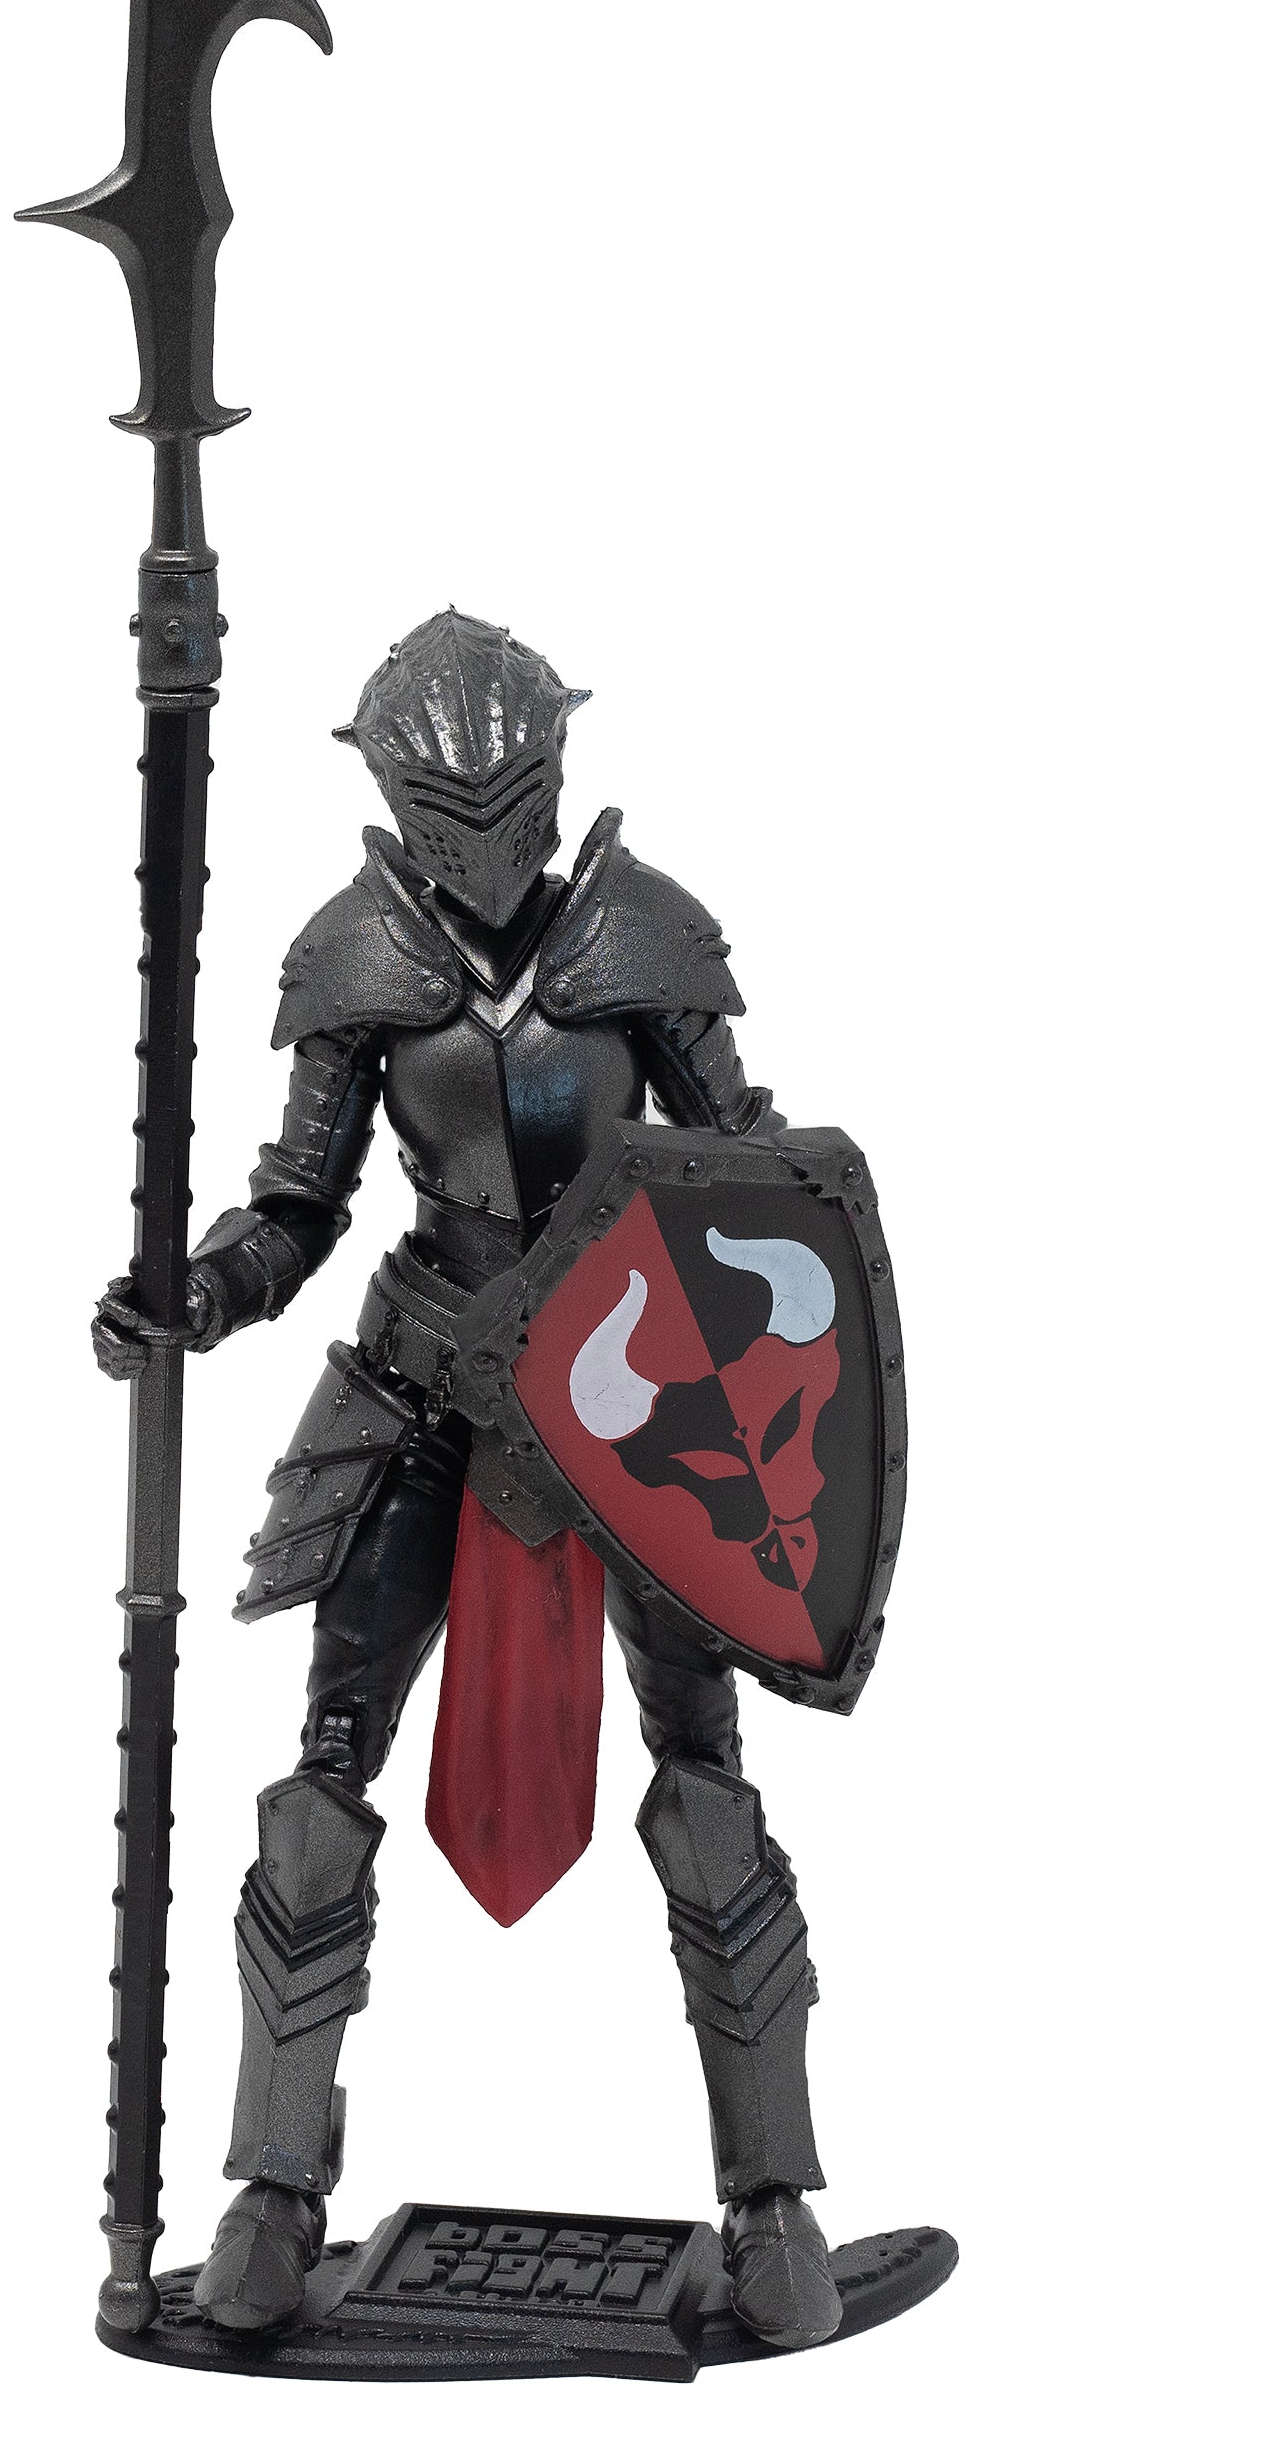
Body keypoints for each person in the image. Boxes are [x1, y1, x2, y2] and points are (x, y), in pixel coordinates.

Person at [94, 608, 841, 2347]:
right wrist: (198, 1295)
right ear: (395, 798)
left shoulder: (643, 939)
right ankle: (275, 2192)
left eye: (516, 795)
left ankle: (772, 2197)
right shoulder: (357, 961)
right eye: (456, 805)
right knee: (323, 1782)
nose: (491, 835)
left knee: (705, 1778)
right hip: (427, 1385)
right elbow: (299, 1205)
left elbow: (749, 1174)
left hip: (634, 1393)